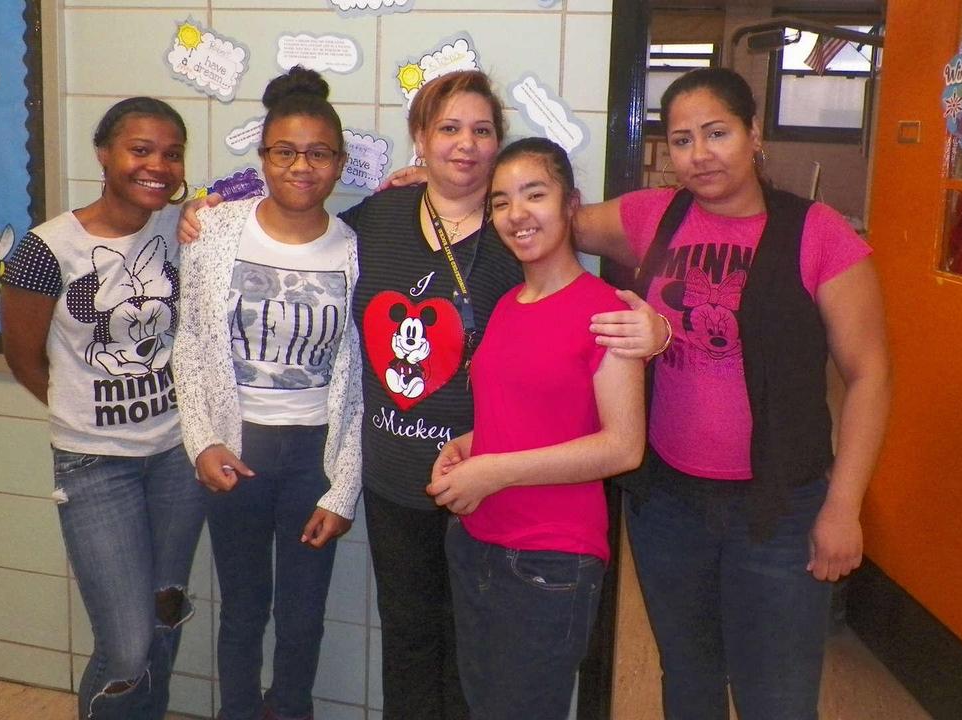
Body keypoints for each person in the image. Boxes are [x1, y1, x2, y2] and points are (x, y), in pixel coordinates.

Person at [180, 70, 666, 719]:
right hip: (395, 480)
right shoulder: (377, 218)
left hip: (490, 487)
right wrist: (208, 210)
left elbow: (600, 288)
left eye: (481, 130)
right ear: (420, 138)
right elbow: (301, 230)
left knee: (476, 662)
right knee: (408, 644)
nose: (465, 143)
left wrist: (661, 330)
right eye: (448, 128)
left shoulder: (517, 231)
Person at [576, 68, 891, 719]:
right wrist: (448, 188)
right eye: (682, 140)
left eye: (717, 133)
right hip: (668, 505)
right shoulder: (654, 215)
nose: (700, 154)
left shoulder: (818, 233)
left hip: (778, 508)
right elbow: (551, 219)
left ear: (754, 134)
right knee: (688, 676)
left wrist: (843, 506)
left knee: (775, 695)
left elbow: (870, 376)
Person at [0, 97, 206, 720]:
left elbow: (275, 193)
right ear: (104, 154)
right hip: (95, 467)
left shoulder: (183, 227)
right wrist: (83, 410)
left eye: (172, 154)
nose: (158, 166)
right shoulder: (48, 248)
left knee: (164, 615)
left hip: (178, 458)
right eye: (140, 150)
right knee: (127, 645)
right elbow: (24, 358)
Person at [427, 137, 646, 719]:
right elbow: (530, 414)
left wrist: (494, 471)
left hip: (550, 562)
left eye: (534, 194)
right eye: (501, 201)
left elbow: (623, 446)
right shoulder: (508, 304)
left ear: (571, 204)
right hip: (476, 543)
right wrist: (469, 447)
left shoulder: (607, 312)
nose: (516, 214)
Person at [172, 66, 362, 720]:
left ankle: (291, 710)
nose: (301, 167)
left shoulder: (355, 249)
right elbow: (190, 345)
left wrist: (343, 486)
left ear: (339, 164)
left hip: (313, 459)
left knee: (304, 616)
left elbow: (358, 382)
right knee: (243, 610)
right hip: (238, 453)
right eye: (285, 152)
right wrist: (202, 442)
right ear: (263, 158)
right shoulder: (215, 231)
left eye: (318, 153)